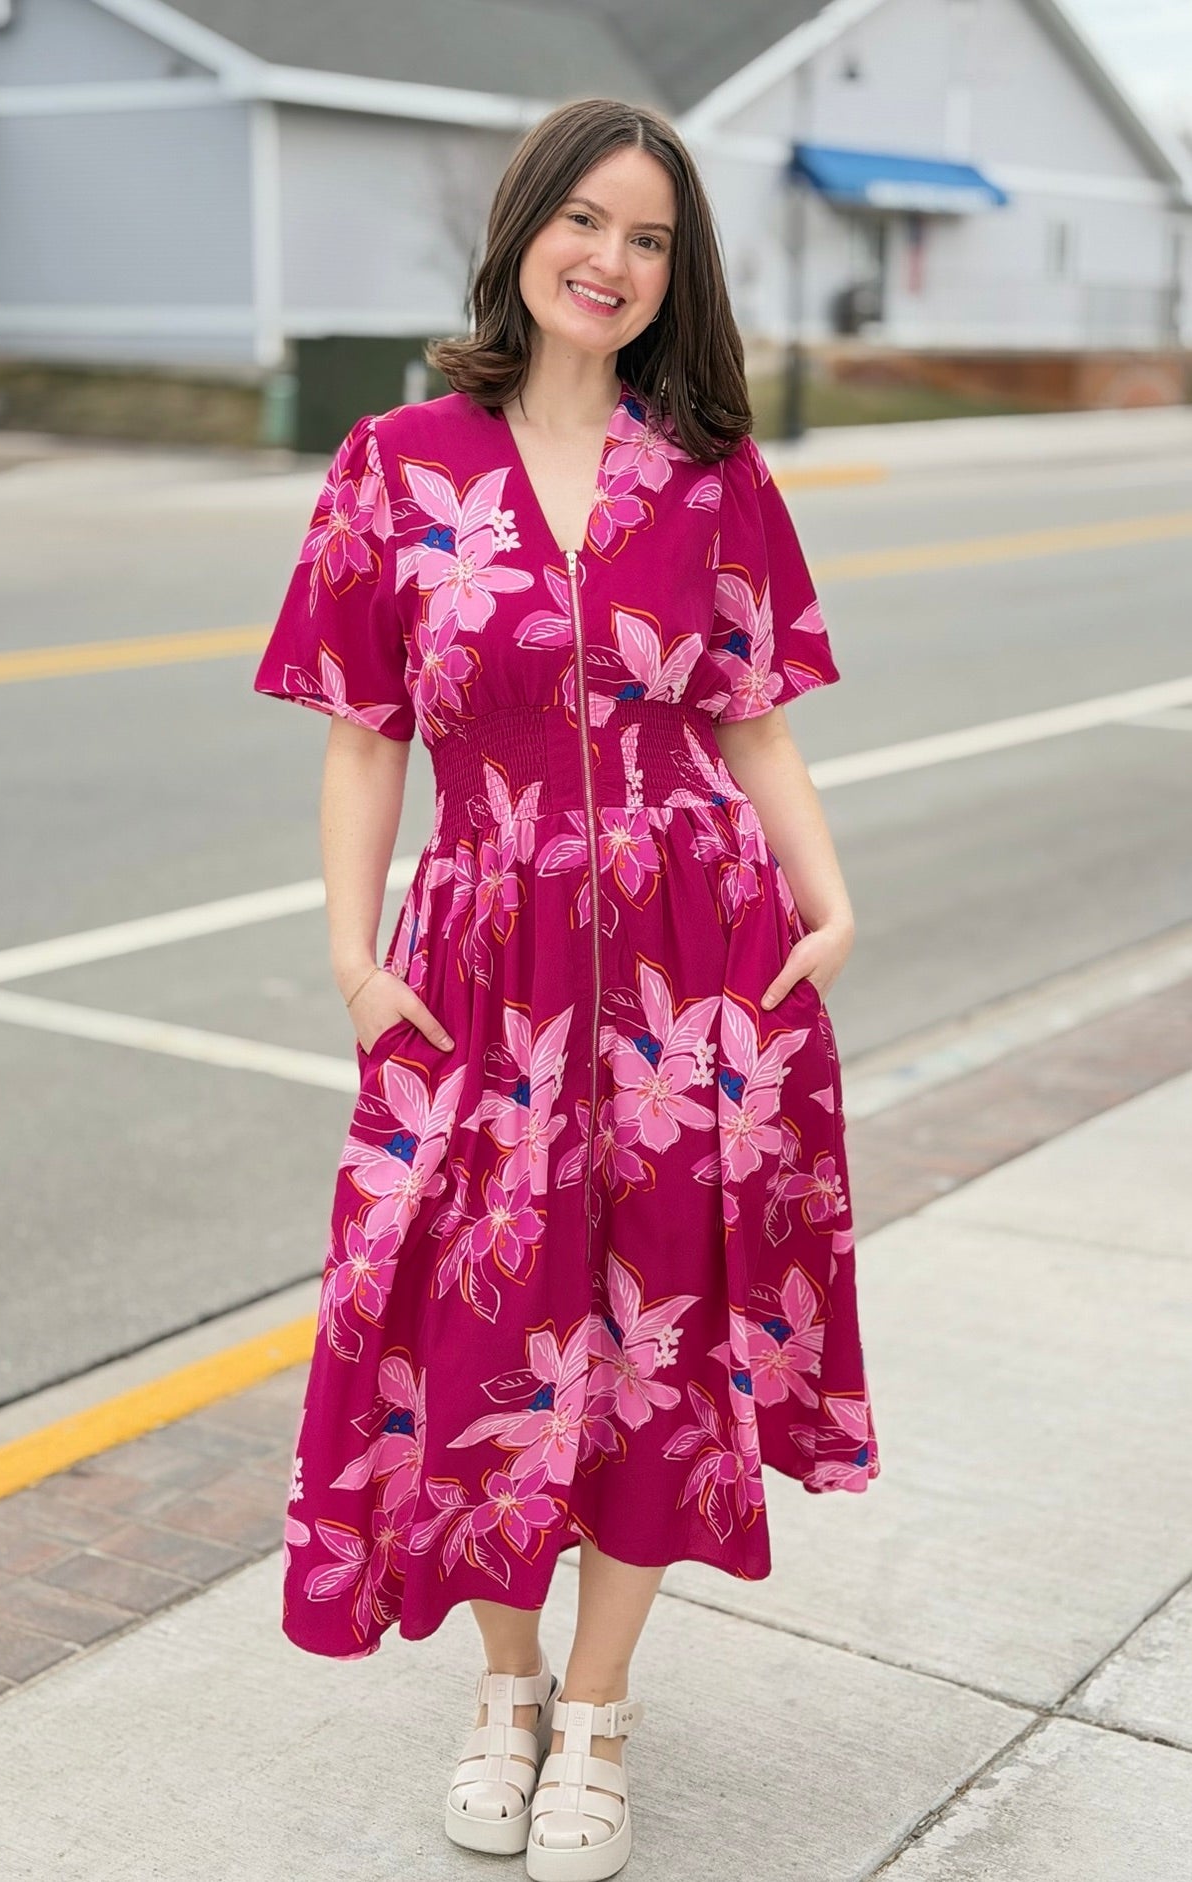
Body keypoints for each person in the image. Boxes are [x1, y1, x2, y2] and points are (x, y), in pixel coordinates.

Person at [253, 94, 880, 1882]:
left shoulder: (714, 475)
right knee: (469, 1325)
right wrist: (356, 957)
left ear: (677, 275)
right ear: (527, 228)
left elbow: (752, 711)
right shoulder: (395, 464)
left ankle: (598, 1708)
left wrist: (827, 903)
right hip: (477, 972)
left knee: (660, 1343)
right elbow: (368, 738)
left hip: (697, 974)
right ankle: (503, 1678)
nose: (612, 260)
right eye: (585, 221)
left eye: (653, 237)